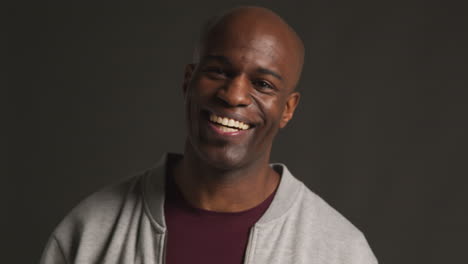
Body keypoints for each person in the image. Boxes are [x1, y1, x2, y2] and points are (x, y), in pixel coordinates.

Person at [40, 6, 378, 264]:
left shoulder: (341, 251)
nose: (233, 96)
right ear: (188, 80)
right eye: (218, 71)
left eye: (262, 84)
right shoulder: (89, 231)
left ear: (287, 109)